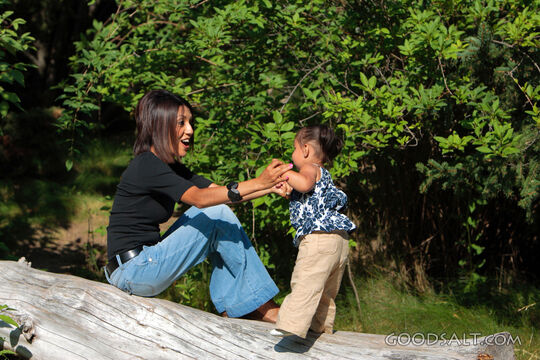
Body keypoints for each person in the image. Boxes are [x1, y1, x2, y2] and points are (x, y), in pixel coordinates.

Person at [104, 89, 293, 323]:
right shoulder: (147, 164)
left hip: (142, 265)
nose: (190, 130)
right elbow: (201, 199)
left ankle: (239, 306)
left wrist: (270, 186)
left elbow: (222, 193)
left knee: (219, 215)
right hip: (135, 269)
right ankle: (262, 307)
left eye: (190, 122)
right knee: (215, 214)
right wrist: (259, 181)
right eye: (181, 123)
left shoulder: (169, 167)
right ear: (159, 126)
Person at [271, 124, 356, 338]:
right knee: (326, 292)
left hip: (319, 239)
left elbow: (305, 184)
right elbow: (308, 195)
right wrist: (290, 192)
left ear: (306, 150)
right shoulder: (324, 174)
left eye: (294, 149)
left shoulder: (308, 168)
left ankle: (290, 326)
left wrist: (284, 173)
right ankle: (321, 328)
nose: (293, 154)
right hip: (338, 240)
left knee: (306, 281)